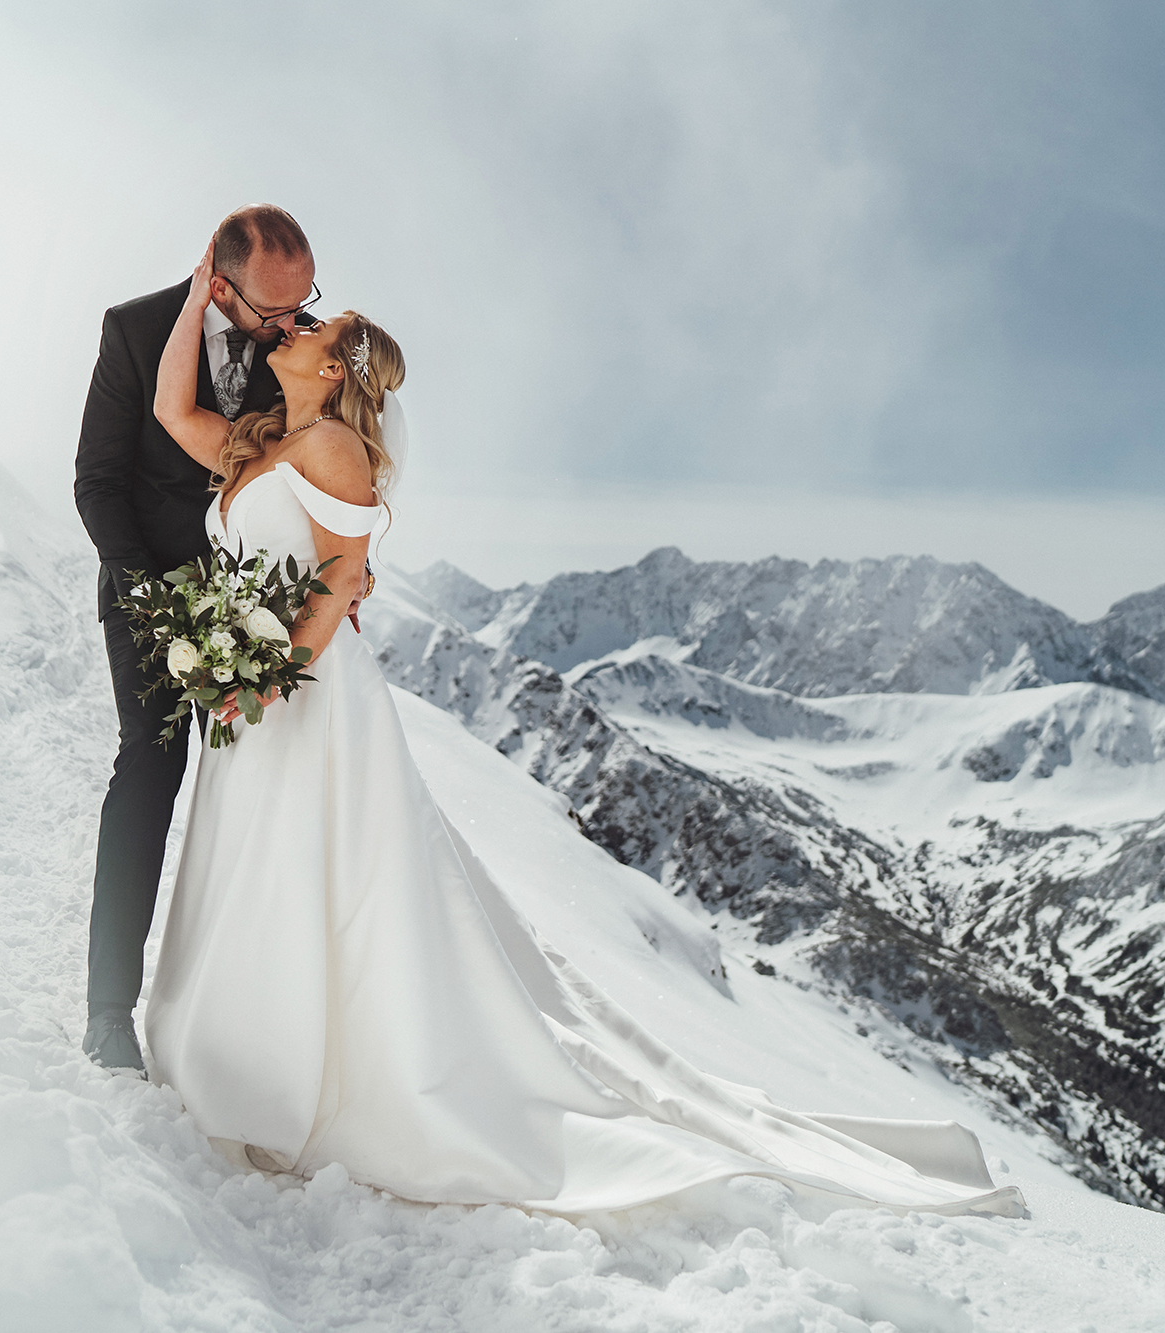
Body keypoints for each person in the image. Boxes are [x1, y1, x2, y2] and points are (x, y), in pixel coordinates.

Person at [134, 244, 1029, 1217]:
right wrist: (193, 298)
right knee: (252, 861)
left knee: (305, 867)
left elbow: (340, 579)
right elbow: (171, 414)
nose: (295, 327)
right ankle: (238, 1050)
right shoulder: (263, 441)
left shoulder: (334, 451)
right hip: (256, 690)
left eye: (317, 328)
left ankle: (297, 1073)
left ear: (337, 370)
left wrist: (268, 678)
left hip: (300, 694)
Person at [73, 205, 320, 1070]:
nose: (294, 328)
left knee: (274, 790)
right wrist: (148, 597)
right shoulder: (134, 331)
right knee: (151, 765)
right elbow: (98, 481)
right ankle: (110, 1009)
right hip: (147, 589)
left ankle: (262, 1017)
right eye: (273, 313)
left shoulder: (306, 348)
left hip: (259, 603)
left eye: (305, 305)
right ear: (220, 285)